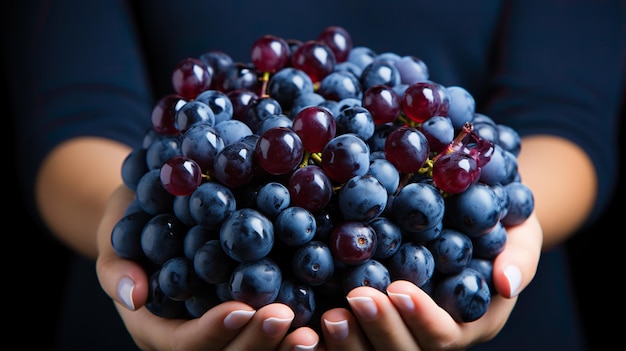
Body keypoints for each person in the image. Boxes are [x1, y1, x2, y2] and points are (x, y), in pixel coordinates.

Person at [4, 0, 624, 350]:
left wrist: (513, 247)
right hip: (171, 300)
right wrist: (114, 221)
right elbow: (73, 118)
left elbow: (564, 119)